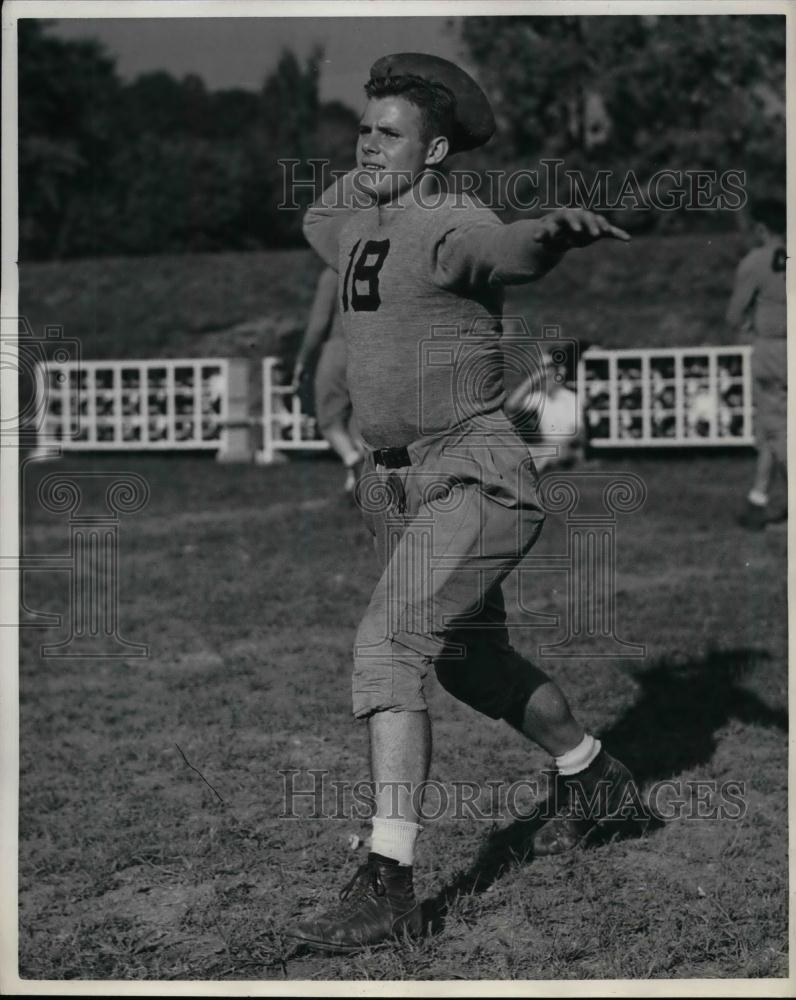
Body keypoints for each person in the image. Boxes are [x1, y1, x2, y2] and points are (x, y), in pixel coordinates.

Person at [288, 52, 642, 953]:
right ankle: (594, 775)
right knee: (471, 663)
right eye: (363, 128)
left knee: (391, 644)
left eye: (391, 132)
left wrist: (551, 234)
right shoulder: (356, 217)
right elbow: (319, 212)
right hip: (395, 483)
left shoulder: (454, 217)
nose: (368, 142)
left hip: (472, 471)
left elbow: (504, 248)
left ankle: (389, 877)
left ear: (438, 149)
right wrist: (383, 138)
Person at [726, 197, 787, 530]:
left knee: (777, 430)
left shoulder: (756, 261)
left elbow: (734, 315)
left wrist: (750, 326)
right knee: (773, 430)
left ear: (762, 229)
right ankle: (758, 498)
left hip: (774, 351)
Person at [292, 266, 363, 493]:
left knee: (329, 420)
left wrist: (302, 360)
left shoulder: (333, 272)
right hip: (372, 349)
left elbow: (318, 324)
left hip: (339, 347)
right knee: (358, 421)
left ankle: (353, 461)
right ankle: (359, 481)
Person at [504, 347, 586, 472]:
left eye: (549, 371)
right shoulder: (539, 398)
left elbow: (579, 434)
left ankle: (532, 467)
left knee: (544, 454)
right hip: (545, 447)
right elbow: (511, 406)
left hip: (565, 448)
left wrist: (558, 446)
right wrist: (534, 378)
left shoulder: (571, 398)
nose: (546, 377)